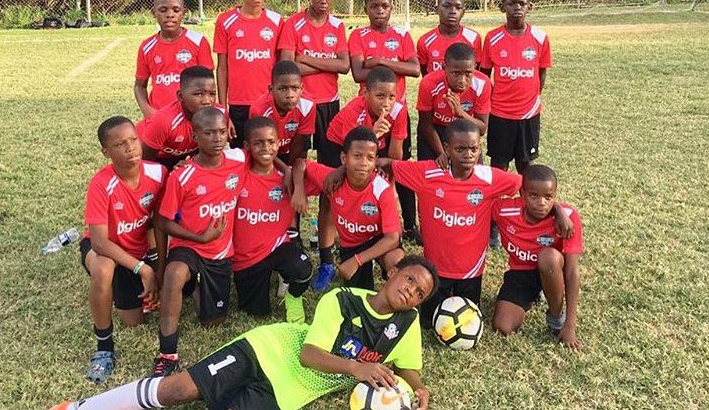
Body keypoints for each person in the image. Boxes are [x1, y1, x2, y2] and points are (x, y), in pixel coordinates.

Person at [49, 255, 438, 410]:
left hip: (287, 394)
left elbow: (409, 368)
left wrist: (418, 387)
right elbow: (310, 354)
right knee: (177, 390)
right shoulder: (344, 299)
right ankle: (81, 408)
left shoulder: (405, 326)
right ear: (392, 273)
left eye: (420, 293)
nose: (411, 291)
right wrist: (357, 369)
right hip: (265, 350)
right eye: (409, 279)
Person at [375, 119, 572, 328]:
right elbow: (387, 164)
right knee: (428, 324)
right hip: (434, 271)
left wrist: (557, 208)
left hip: (471, 272)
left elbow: (532, 187)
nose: (468, 154)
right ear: (447, 148)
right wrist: (344, 171)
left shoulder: (489, 178)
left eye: (474, 149)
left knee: (465, 322)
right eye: (460, 149)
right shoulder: (427, 173)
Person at [151, 107, 246, 377]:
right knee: (174, 273)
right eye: (208, 133)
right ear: (195, 136)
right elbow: (163, 221)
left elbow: (266, 153)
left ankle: (194, 287)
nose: (217, 139)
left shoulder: (238, 162)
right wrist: (199, 237)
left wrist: (288, 172)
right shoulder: (182, 176)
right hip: (190, 246)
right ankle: (167, 352)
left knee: (212, 322)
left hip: (221, 253)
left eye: (221, 132)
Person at [79, 116, 167, 383]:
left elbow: (158, 223)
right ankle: (104, 348)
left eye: (133, 140)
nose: (130, 148)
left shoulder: (158, 173)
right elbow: (99, 242)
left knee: (135, 320)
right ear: (106, 152)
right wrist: (143, 269)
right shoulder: (100, 183)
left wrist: (156, 266)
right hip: (108, 250)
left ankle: (129, 289)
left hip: (140, 249)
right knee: (104, 268)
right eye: (120, 145)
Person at [347, 0, 421, 245]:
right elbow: (358, 73)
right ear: (366, 8)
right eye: (374, 6)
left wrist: (379, 61)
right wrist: (392, 64)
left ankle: (410, 225)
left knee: (399, 166)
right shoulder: (358, 36)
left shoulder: (402, 35)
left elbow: (414, 69)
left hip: (397, 112)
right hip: (367, 112)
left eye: (385, 6)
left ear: (391, 8)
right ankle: (368, 222)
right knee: (367, 166)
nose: (380, 11)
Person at [292, 126, 404, 291]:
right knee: (358, 294)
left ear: (375, 161)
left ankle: (390, 292)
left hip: (379, 239)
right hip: (352, 244)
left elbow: (392, 238)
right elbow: (300, 164)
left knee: (397, 264)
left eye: (370, 158)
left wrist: (357, 260)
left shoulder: (382, 189)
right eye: (357, 156)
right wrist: (299, 189)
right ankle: (361, 267)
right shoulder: (332, 179)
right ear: (344, 158)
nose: (363, 163)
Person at [492, 164, 583, 350]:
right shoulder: (503, 210)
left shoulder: (569, 218)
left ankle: (556, 318)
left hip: (553, 268)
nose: (542, 202)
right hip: (522, 273)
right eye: (534, 196)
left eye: (549, 197)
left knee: (547, 257)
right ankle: (534, 295)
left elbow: (573, 272)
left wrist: (569, 326)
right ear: (522, 194)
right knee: (503, 326)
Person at [232, 116, 313, 324]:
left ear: (278, 143)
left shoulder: (287, 179)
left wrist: (293, 177)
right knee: (257, 313)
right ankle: (261, 281)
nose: (265, 148)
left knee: (302, 269)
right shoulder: (236, 173)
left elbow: (308, 166)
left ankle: (292, 297)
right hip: (246, 259)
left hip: (277, 247)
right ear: (247, 146)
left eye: (271, 142)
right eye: (258, 143)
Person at [480, 0, 551, 176]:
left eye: (521, 3)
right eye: (512, 3)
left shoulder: (540, 37)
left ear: (530, 6)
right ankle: (494, 205)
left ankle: (525, 205)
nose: (517, 7)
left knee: (525, 164)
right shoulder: (492, 38)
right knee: (499, 165)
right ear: (503, 7)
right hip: (500, 113)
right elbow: (484, 76)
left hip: (528, 114)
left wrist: (532, 97)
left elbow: (541, 72)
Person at [278, 0, 350, 163]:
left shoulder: (337, 25)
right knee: (297, 157)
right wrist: (329, 65)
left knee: (330, 160)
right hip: (300, 101)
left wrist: (305, 58)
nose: (324, 0)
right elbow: (287, 68)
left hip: (329, 101)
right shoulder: (293, 23)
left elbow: (344, 65)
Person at [214, 0, 282, 149]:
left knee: (267, 155)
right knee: (242, 155)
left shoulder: (277, 21)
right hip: (239, 104)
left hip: (268, 101)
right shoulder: (225, 21)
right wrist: (223, 110)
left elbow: (282, 66)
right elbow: (222, 68)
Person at [134, 0, 214, 116]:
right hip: (159, 115)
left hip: (191, 115)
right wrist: (148, 111)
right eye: (163, 10)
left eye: (176, 10)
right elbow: (139, 86)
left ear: (184, 12)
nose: (170, 15)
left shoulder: (198, 41)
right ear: (154, 13)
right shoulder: (147, 47)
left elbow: (208, 85)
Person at [137, 66, 225, 171]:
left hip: (186, 154)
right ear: (180, 96)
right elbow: (145, 164)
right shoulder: (164, 121)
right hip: (158, 156)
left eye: (212, 94)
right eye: (199, 94)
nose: (207, 101)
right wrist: (170, 172)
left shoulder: (219, 115)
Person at [416, 42, 491, 162]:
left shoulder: (483, 83)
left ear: (474, 67)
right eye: (456, 73)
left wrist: (460, 113)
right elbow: (426, 125)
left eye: (468, 73)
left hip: (465, 130)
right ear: (444, 68)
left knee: (473, 177)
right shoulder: (429, 83)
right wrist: (442, 153)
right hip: (436, 131)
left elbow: (482, 129)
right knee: (432, 176)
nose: (462, 80)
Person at [325, 67, 408, 164]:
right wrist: (372, 133)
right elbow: (353, 151)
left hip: (373, 144)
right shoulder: (354, 111)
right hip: (339, 145)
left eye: (391, 97)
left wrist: (383, 166)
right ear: (365, 94)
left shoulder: (398, 110)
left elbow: (395, 159)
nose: (386, 103)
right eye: (380, 96)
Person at [248, 61, 315, 166]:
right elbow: (262, 149)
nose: (290, 95)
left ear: (302, 89)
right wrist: (285, 170)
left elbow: (299, 144)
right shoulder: (259, 110)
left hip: (291, 151)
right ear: (271, 89)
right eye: (283, 89)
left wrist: (291, 170)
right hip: (266, 153)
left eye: (295, 88)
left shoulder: (308, 105)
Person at [416, 0, 482, 75]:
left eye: (458, 7)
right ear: (437, 9)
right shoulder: (425, 41)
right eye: (447, 6)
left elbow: (476, 73)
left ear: (463, 12)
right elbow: (426, 75)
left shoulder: (473, 38)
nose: (453, 11)